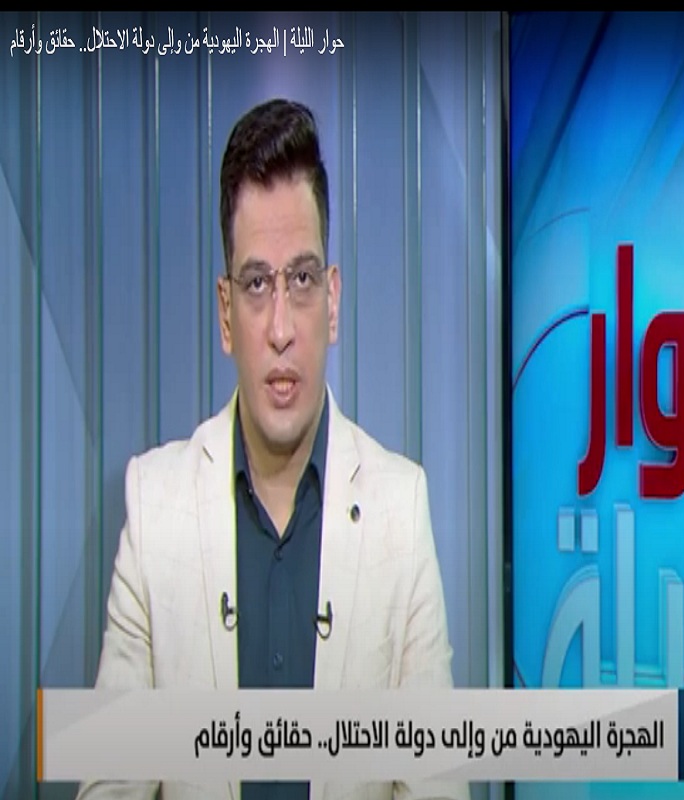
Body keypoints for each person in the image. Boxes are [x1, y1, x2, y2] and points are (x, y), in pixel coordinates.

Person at [76, 99, 468, 800]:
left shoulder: (400, 509)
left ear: (333, 301)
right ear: (226, 313)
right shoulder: (154, 507)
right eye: (257, 284)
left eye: (303, 280)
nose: (282, 328)